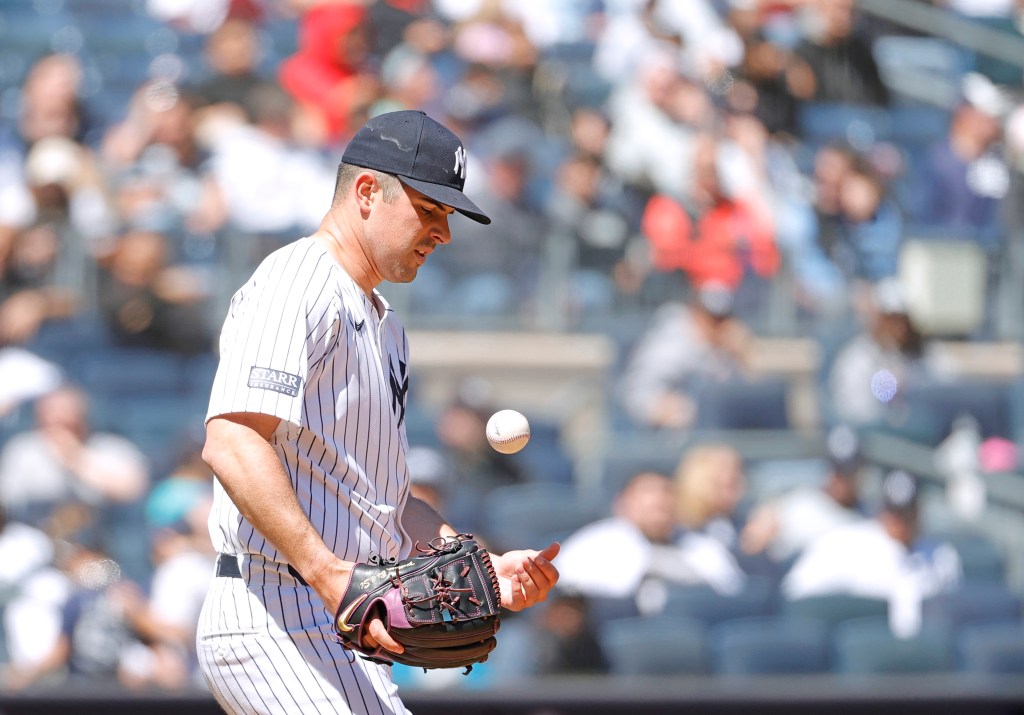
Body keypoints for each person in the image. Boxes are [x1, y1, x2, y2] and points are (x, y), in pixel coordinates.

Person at [196, 110, 560, 715]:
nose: (443, 233)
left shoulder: (385, 325)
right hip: (272, 609)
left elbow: (386, 502)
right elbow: (232, 440)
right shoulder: (296, 283)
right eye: (431, 209)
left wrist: (485, 570)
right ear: (367, 192)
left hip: (332, 618)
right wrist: (329, 574)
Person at [782, 469, 962, 637]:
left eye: (906, 513)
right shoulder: (845, 543)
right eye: (894, 512)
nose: (899, 521)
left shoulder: (942, 557)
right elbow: (796, 593)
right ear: (882, 510)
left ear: (918, 512)